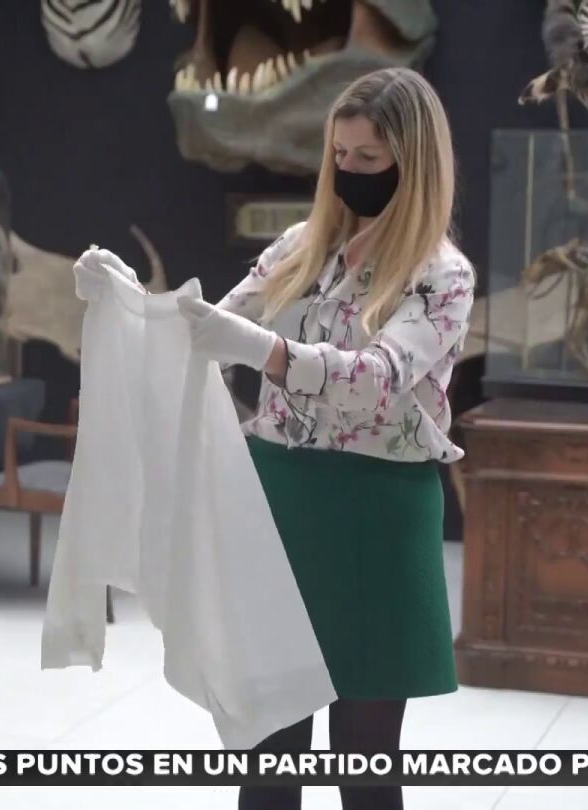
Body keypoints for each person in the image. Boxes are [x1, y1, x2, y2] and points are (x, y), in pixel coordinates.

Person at [82, 66, 474, 810]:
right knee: (267, 753)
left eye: (369, 158)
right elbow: (204, 330)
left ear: (414, 162)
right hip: (278, 508)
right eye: (340, 155)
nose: (349, 171)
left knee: (366, 762)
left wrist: (267, 351)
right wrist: (125, 305)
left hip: (377, 518)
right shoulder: (300, 248)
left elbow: (380, 378)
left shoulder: (442, 277)